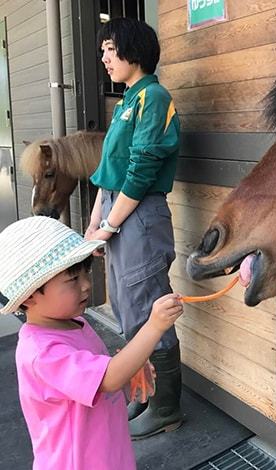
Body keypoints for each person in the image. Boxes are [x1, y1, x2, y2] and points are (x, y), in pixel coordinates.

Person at [0, 216, 184, 470]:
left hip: (107, 451)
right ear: (30, 296)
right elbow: (107, 378)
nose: (86, 285)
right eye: (72, 280)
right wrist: (154, 327)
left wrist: (130, 369)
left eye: (85, 273)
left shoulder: (75, 323)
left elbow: (98, 376)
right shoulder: (42, 353)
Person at [85, 17, 182, 439]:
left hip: (140, 217)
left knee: (147, 309)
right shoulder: (126, 102)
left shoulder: (154, 97)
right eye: (103, 50)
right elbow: (110, 173)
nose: (104, 57)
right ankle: (144, 395)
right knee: (127, 310)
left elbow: (142, 171)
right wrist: (95, 222)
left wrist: (107, 225)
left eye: (111, 48)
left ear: (134, 50)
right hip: (118, 214)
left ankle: (166, 408)